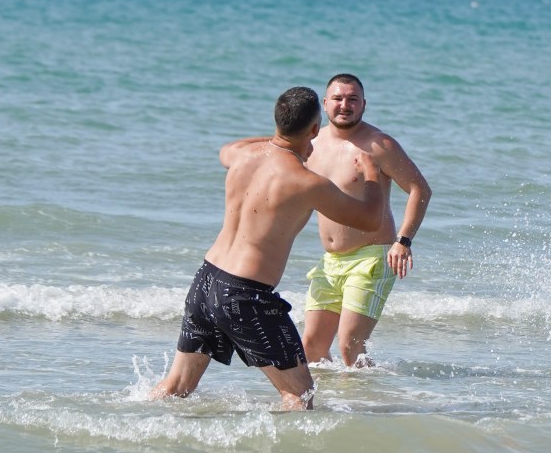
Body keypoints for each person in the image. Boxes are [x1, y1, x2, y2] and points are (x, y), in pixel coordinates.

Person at [150, 86, 384, 410]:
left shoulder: (243, 156)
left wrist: (279, 137)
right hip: (245, 295)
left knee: (175, 387)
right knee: (300, 397)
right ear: (315, 130)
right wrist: (372, 174)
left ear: (278, 122)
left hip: (206, 282)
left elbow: (227, 148)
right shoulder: (306, 181)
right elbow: (371, 219)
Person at [302, 74, 432, 367]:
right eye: (337, 98)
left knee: (350, 347)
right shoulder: (313, 143)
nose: (344, 105)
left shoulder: (379, 145)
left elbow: (419, 189)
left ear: (364, 105)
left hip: (371, 257)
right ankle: (331, 407)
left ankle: (368, 407)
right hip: (330, 260)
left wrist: (403, 240)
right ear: (325, 103)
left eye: (352, 99)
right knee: (311, 348)